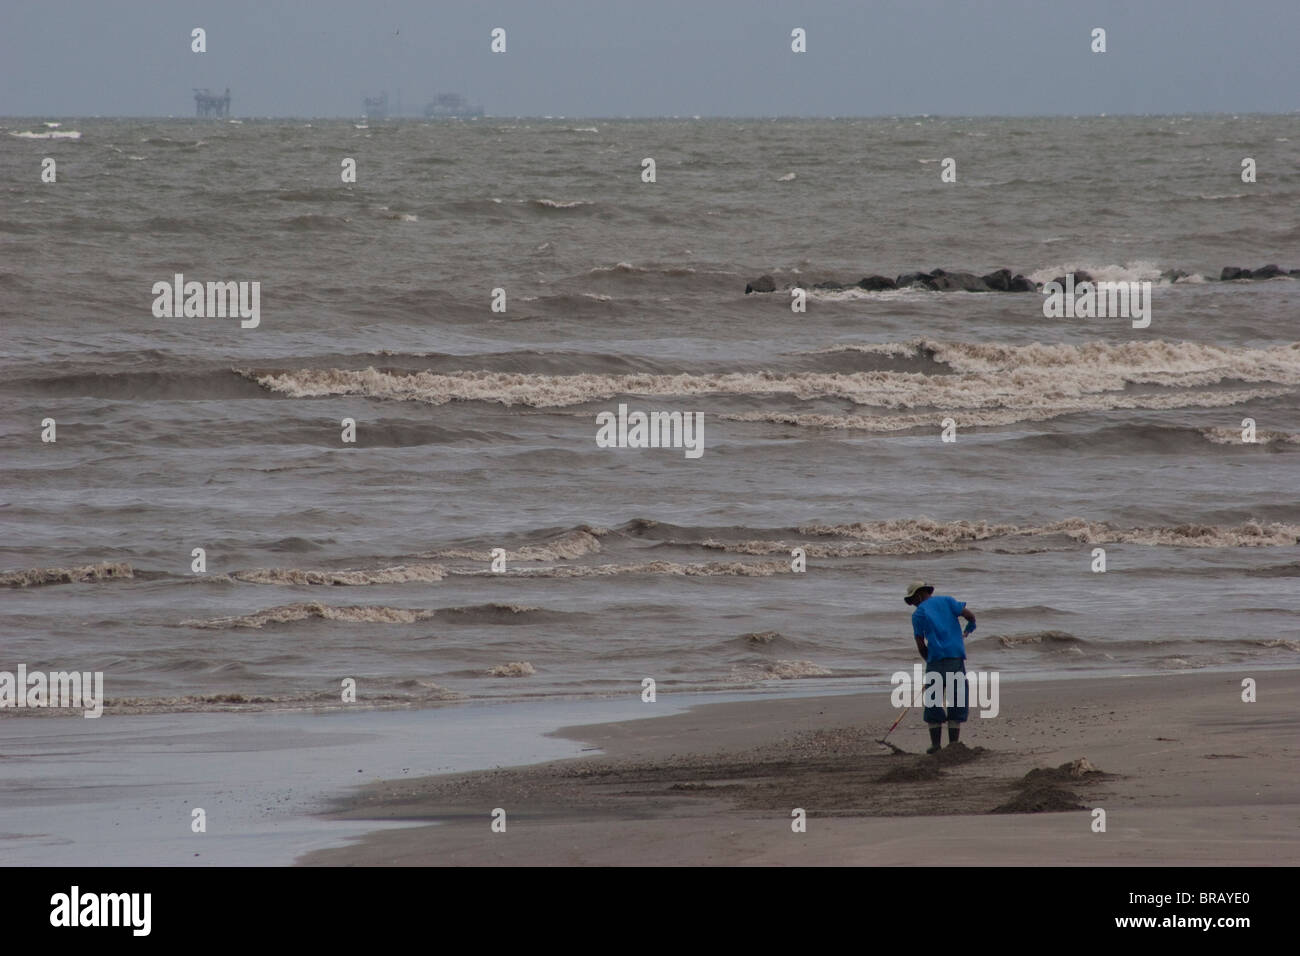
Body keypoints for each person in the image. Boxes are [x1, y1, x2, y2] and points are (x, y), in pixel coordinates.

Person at [904, 580, 976, 754]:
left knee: (933, 702)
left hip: (935, 661)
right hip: (954, 659)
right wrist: (968, 629)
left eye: (913, 600)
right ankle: (953, 745)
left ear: (920, 595)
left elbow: (920, 644)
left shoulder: (918, 615)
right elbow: (970, 616)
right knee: (957, 700)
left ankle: (936, 745)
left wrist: (929, 660)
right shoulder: (948, 601)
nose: (913, 605)